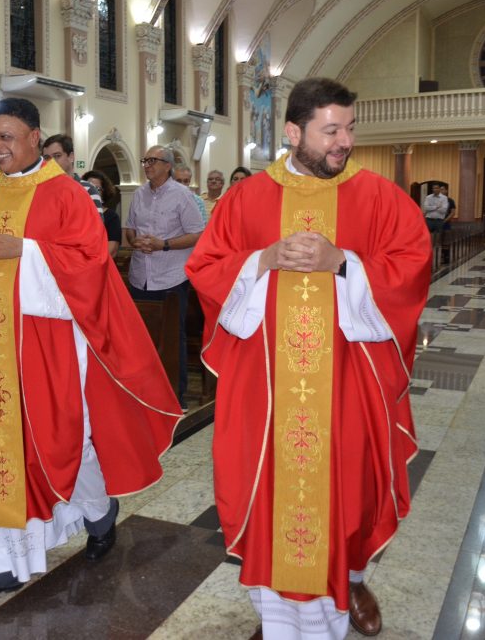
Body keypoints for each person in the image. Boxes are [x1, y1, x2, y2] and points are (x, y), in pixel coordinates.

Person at [186, 77, 431, 639]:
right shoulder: (246, 198)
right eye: (331, 131)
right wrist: (263, 259)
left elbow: (411, 270)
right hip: (264, 386)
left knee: (346, 492)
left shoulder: (380, 196)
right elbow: (206, 268)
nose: (344, 141)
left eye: (349, 128)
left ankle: (344, 588)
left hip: (347, 383)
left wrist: (344, 262)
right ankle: (277, 615)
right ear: (293, 132)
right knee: (267, 488)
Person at [0, 97, 181, 608]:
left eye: (7, 136)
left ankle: (98, 512)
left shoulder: (68, 196)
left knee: (66, 441)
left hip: (52, 348)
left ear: (33, 136)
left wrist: (21, 250)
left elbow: (91, 265)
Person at [124, 145, 205, 408]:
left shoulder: (182, 196)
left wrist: (165, 244)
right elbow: (130, 229)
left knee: (172, 337)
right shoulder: (138, 194)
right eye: (145, 160)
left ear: (167, 165)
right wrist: (135, 242)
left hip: (171, 277)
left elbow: (197, 234)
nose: (146, 165)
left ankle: (175, 396)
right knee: (141, 337)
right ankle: (145, 393)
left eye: (152, 160)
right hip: (140, 275)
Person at [41, 133, 104, 217]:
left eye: (57, 156)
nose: (51, 162)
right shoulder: (42, 190)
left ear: (71, 157)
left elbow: (97, 227)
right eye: (47, 158)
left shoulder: (88, 190)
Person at [83, 170, 122, 257]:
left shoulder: (111, 217)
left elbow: (112, 250)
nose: (92, 191)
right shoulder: (78, 215)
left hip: (99, 264)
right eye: (89, 187)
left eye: (97, 189)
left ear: (104, 193)